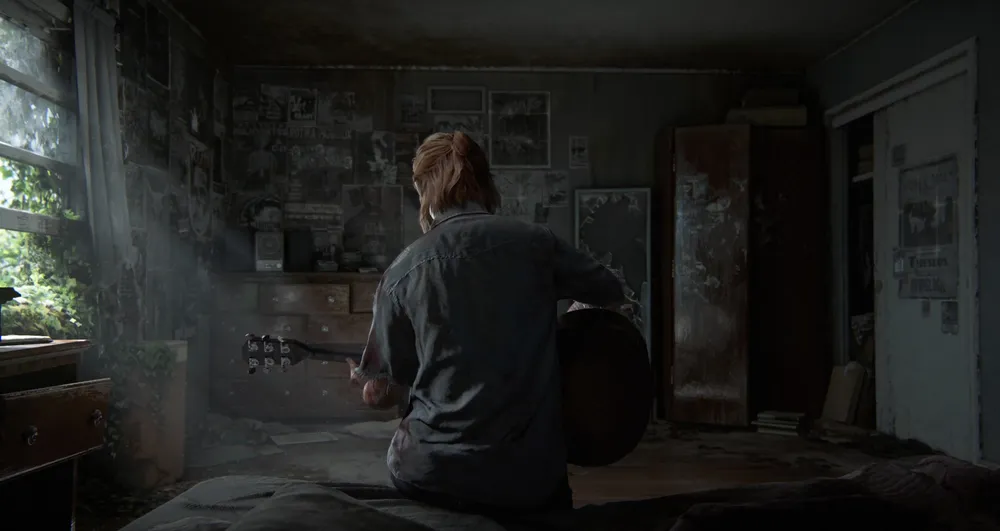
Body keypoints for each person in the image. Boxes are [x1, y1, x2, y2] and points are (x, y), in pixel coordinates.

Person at [346, 131, 625, 518]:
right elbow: (610, 292)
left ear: (424, 191)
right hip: (529, 476)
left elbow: (383, 395)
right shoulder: (535, 243)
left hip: (432, 473)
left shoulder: (402, 270)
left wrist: (367, 383)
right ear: (485, 182)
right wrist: (568, 332)